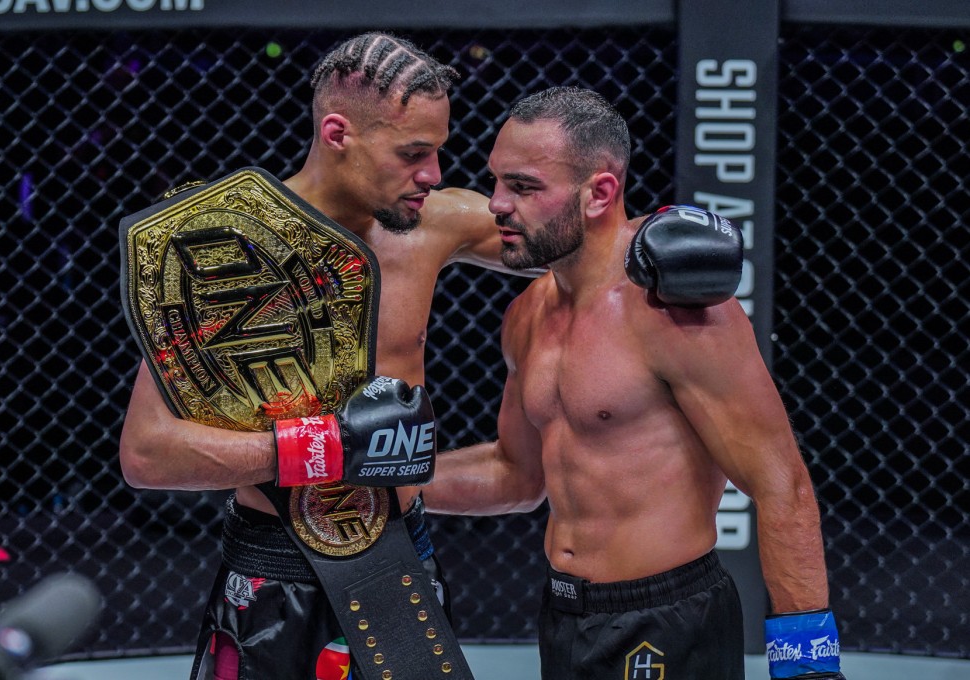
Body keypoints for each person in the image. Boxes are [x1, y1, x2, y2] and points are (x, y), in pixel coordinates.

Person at [118, 32, 525, 680]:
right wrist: (323, 447)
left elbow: (561, 238)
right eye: (413, 153)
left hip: (398, 556)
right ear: (338, 133)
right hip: (272, 564)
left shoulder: (434, 224)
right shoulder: (228, 254)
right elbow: (146, 452)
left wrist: (650, 242)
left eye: (439, 151)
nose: (434, 174)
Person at [422, 86, 845, 680]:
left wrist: (807, 666)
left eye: (522, 187)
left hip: (670, 621)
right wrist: (382, 482)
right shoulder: (525, 317)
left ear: (600, 193)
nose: (495, 205)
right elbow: (516, 476)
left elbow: (782, 486)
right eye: (494, 182)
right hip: (563, 618)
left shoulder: (675, 312)